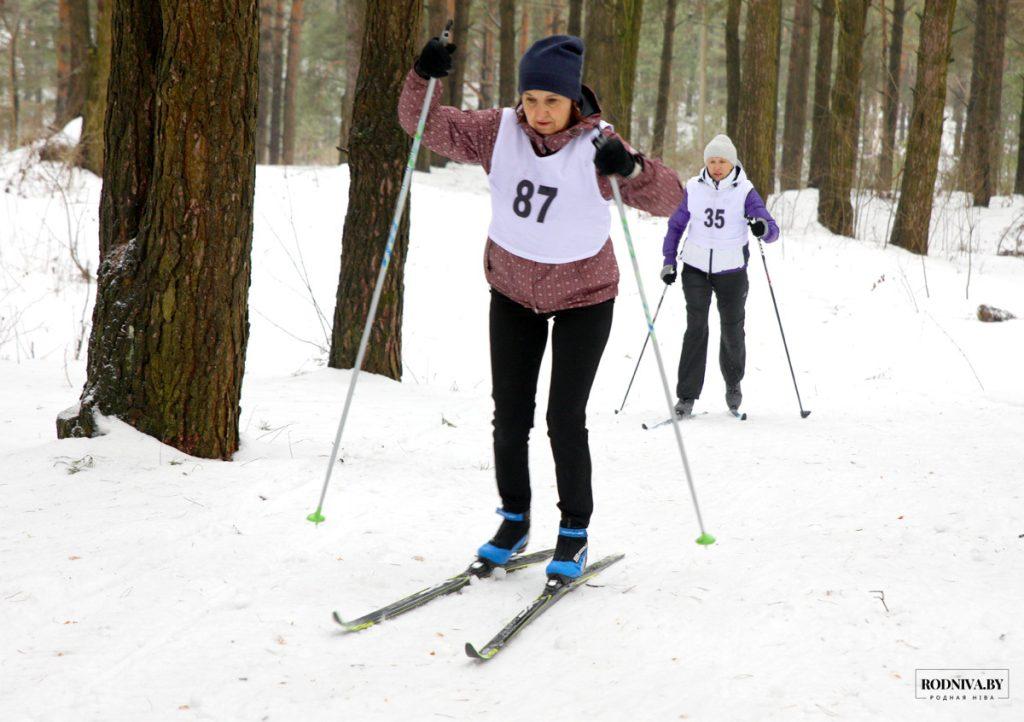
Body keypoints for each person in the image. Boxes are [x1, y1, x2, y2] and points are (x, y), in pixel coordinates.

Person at [399, 34, 682, 581]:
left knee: (563, 419)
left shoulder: (598, 143)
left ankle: (573, 531)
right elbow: (421, 124)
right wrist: (422, 76)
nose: (540, 111)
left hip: (585, 297)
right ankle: (513, 521)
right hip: (511, 292)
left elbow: (671, 199)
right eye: (531, 99)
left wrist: (630, 169)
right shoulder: (496, 130)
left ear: (573, 99)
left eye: (552, 101)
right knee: (510, 416)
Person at [660, 134, 779, 417]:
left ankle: (733, 383)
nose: (716, 166)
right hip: (695, 268)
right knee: (696, 327)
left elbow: (771, 228)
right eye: (712, 161)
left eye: (722, 161)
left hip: (732, 271)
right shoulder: (694, 188)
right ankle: (686, 396)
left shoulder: (744, 190)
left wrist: (763, 228)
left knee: (732, 329)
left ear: (732, 162)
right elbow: (676, 225)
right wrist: (668, 261)